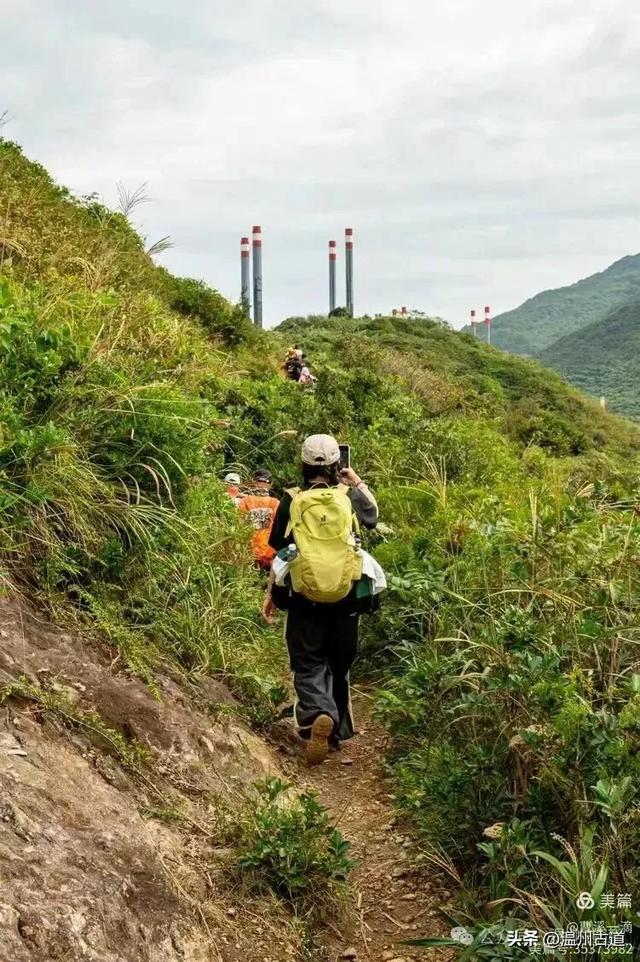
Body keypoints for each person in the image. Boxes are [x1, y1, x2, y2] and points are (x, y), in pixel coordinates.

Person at [262, 434, 378, 765]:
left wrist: (271, 593)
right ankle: (336, 731)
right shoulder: (348, 496)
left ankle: (318, 714)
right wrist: (355, 480)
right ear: (335, 464)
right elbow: (371, 516)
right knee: (338, 664)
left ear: (303, 464)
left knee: (308, 660)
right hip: (345, 596)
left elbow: (281, 552)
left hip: (304, 596)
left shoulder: (291, 499)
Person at [237, 468, 280, 570]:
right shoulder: (276, 503)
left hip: (250, 556)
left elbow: (239, 528)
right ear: (270, 484)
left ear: (253, 483)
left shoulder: (244, 502)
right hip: (271, 558)